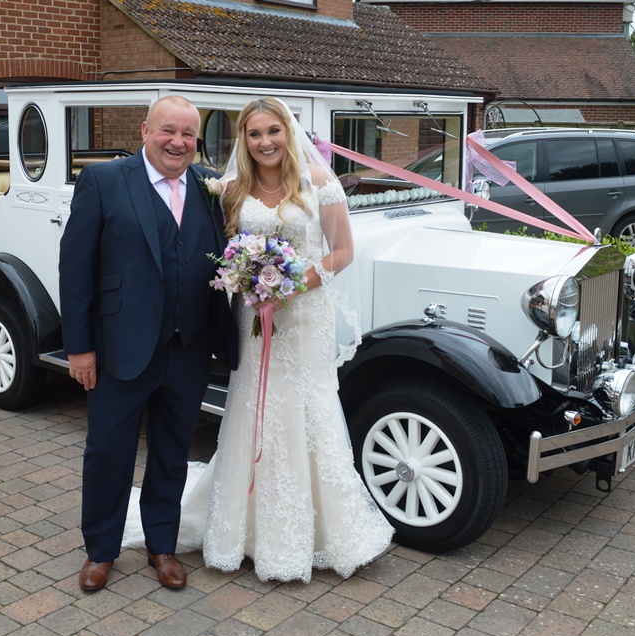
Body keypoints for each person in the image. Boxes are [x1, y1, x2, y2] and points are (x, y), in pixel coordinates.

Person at [123, 97, 393, 583]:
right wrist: (248, 282)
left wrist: (290, 284)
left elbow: (344, 251)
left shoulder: (319, 185)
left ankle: (320, 531)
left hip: (303, 317)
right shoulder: (230, 190)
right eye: (254, 134)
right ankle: (242, 529)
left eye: (273, 131)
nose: (265, 142)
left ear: (289, 133)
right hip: (251, 318)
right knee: (255, 409)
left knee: (304, 410)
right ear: (243, 141)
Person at [59, 95, 237, 593]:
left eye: (187, 134)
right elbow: (76, 271)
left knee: (172, 452)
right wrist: (80, 348)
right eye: (167, 130)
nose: (177, 142)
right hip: (121, 348)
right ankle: (100, 550)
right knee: (107, 451)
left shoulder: (209, 186)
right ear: (144, 130)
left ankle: (162, 544)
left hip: (189, 346)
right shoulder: (104, 181)